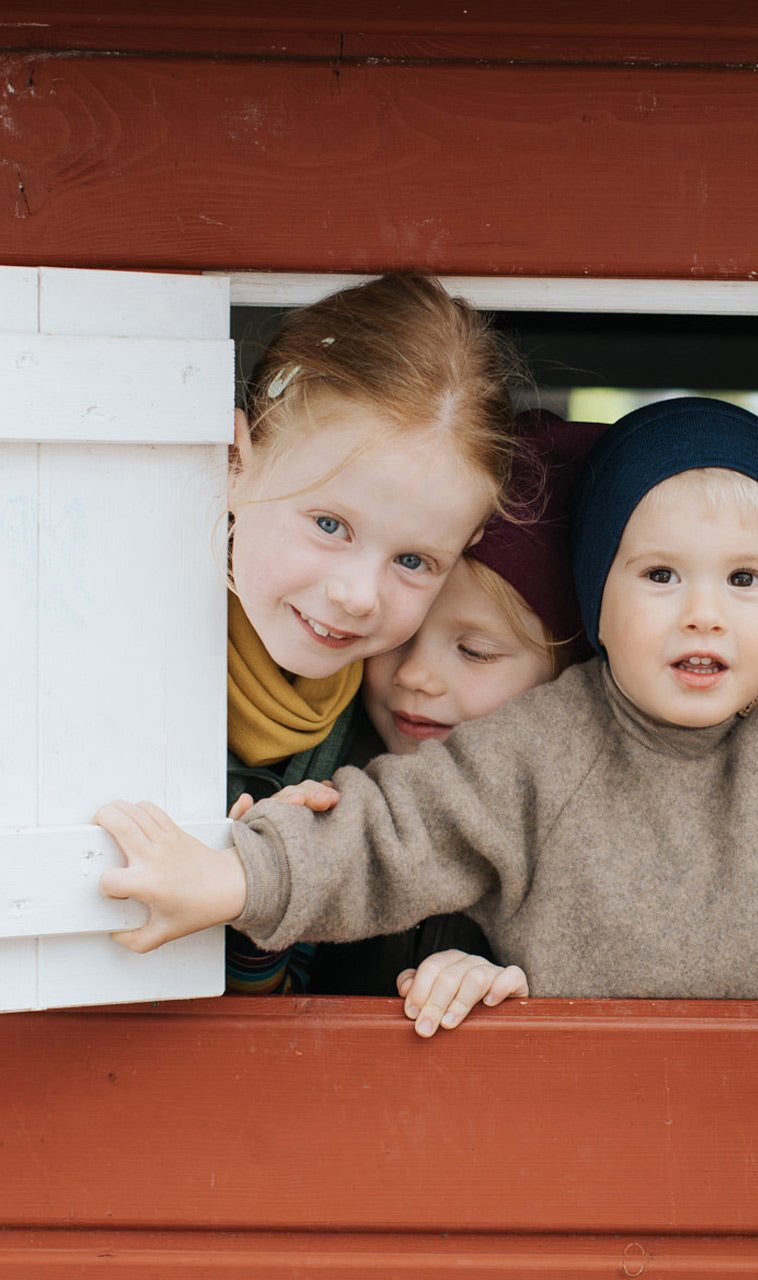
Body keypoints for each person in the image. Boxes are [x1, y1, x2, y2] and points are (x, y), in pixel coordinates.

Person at [96, 397, 758, 1029]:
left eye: (746, 581)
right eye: (660, 575)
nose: (702, 614)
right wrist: (232, 875)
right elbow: (389, 832)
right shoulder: (537, 745)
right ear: (598, 603)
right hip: (599, 1125)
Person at [220, 271, 519, 993]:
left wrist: (255, 913)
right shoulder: (105, 653)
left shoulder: (373, 749)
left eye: (414, 560)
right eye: (329, 524)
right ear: (235, 460)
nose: (357, 596)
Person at [302, 411, 607, 1035]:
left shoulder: (586, 831)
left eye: (475, 652)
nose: (417, 676)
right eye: (399, 637)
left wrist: (497, 975)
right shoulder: (324, 779)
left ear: (567, 675)